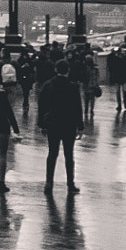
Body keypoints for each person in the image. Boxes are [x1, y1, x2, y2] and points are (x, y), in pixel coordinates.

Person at [35, 60, 82, 196]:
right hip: (69, 124)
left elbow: (42, 105)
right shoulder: (73, 86)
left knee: (52, 153)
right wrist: (80, 126)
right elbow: (77, 107)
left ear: (56, 69)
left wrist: (42, 124)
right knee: (69, 155)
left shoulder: (48, 85)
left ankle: (49, 183)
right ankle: (70, 184)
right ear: (68, 70)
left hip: (53, 124)